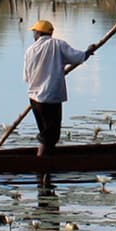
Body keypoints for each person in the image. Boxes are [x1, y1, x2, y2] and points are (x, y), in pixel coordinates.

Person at [23, 19, 98, 156]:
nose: (33, 34)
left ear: (39, 33)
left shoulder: (30, 50)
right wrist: (88, 51)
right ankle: (42, 162)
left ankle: (48, 161)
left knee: (46, 132)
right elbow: (78, 57)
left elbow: (27, 77)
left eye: (34, 32)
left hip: (34, 98)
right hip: (50, 98)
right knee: (51, 135)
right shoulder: (58, 45)